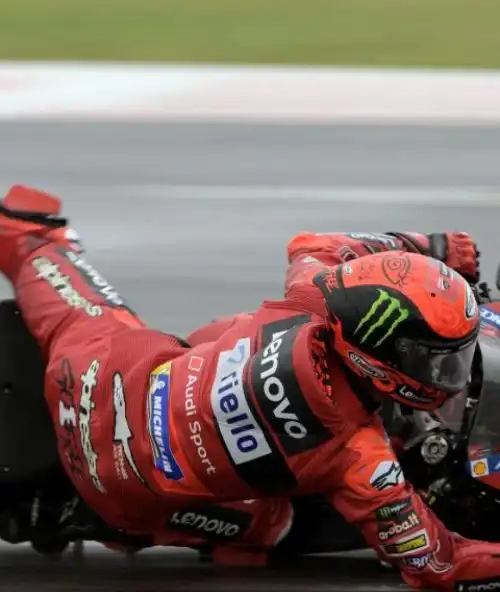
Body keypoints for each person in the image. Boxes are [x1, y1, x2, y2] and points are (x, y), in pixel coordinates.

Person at [1, 183, 500, 592]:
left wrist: (429, 247)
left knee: (38, 246)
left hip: (98, 373)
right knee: (283, 523)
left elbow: (309, 243)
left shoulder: (311, 292)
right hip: (115, 489)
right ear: (375, 359)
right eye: (436, 360)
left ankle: (26, 234)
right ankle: (108, 522)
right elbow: (437, 564)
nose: (448, 373)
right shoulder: (357, 455)